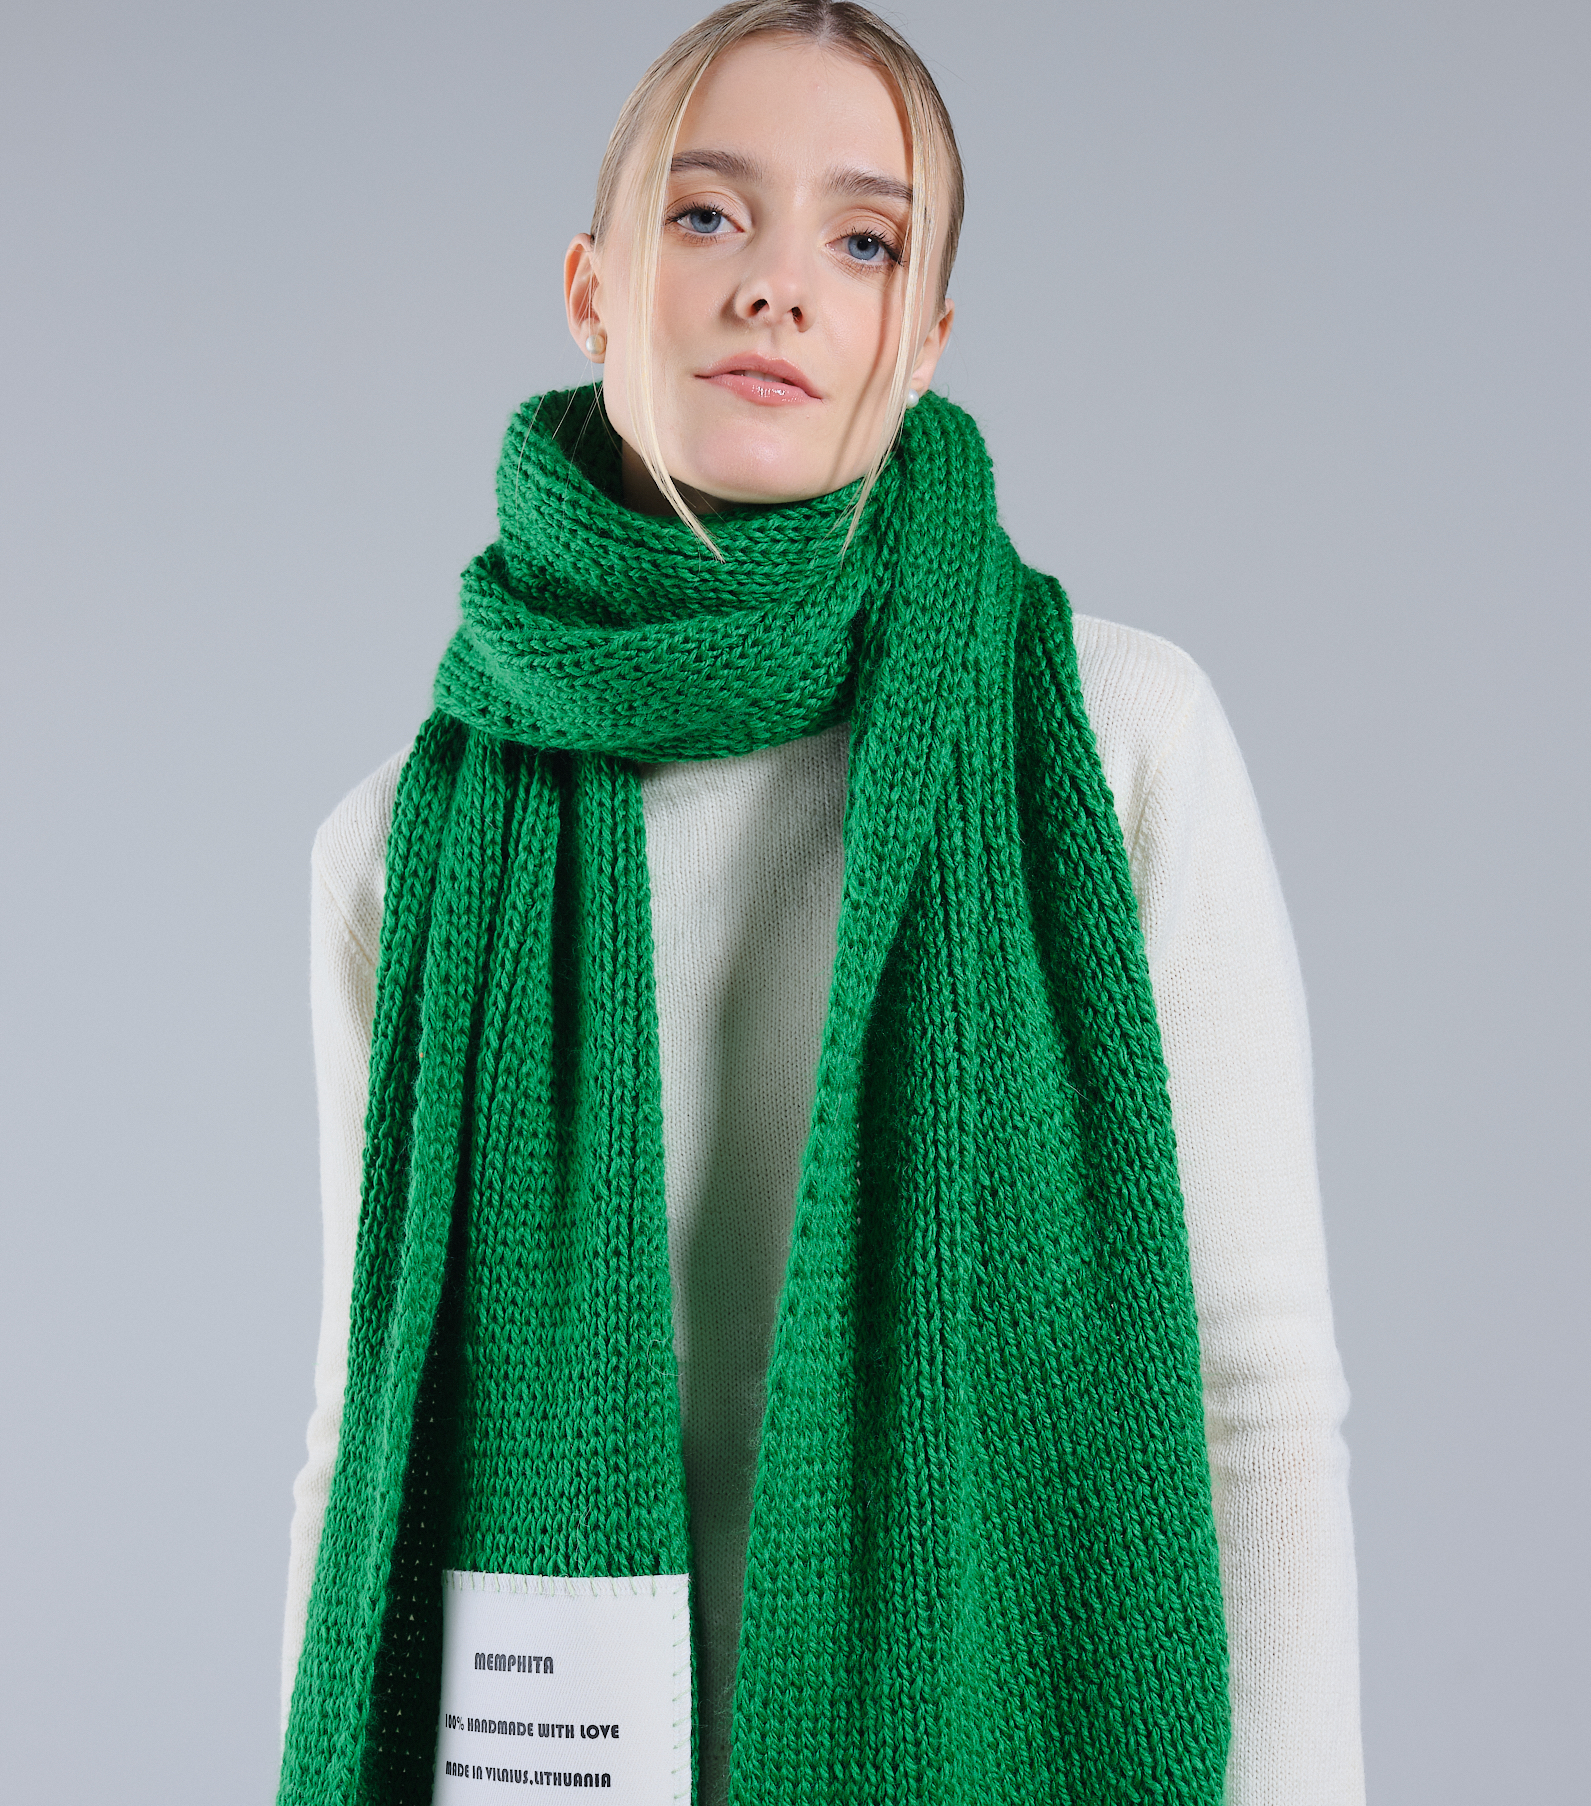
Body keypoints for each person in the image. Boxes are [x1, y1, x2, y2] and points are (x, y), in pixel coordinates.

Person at [277, 5, 1363, 1802]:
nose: (779, 284)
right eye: (707, 213)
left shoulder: (1115, 741)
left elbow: (1254, 1405)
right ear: (593, 289)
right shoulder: (402, 848)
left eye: (863, 241)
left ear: (921, 339)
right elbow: (360, 1437)